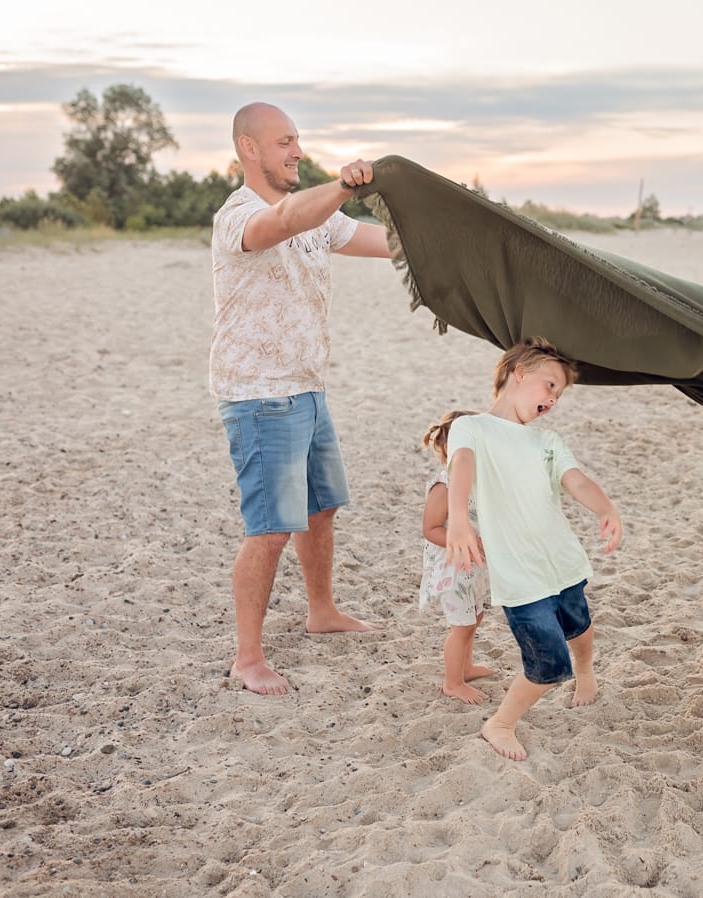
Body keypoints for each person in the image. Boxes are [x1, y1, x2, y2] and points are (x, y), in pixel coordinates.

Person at [211, 102, 393, 696]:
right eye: (284, 141)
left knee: (321, 509)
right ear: (250, 148)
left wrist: (446, 236)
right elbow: (286, 219)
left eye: (298, 141)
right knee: (268, 530)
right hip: (261, 396)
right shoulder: (238, 216)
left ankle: (322, 611)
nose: (296, 151)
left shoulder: (319, 217)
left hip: (308, 386)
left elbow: (383, 242)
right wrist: (341, 185)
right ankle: (247, 658)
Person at [445, 337, 622, 760]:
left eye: (559, 393)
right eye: (549, 385)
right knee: (547, 663)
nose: (554, 398)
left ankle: (586, 673)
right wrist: (457, 517)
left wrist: (606, 507)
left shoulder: (546, 441)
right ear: (518, 372)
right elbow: (463, 464)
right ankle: (500, 724)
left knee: (579, 624)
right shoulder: (472, 427)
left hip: (560, 560)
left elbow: (576, 480)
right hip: (519, 576)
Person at [419, 410, 494, 704]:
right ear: (451, 448)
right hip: (453, 567)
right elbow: (430, 528)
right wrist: (463, 542)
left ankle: (466, 666)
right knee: (461, 626)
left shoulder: (477, 481)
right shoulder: (444, 486)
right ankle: (453, 682)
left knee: (474, 617)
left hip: (474, 566)